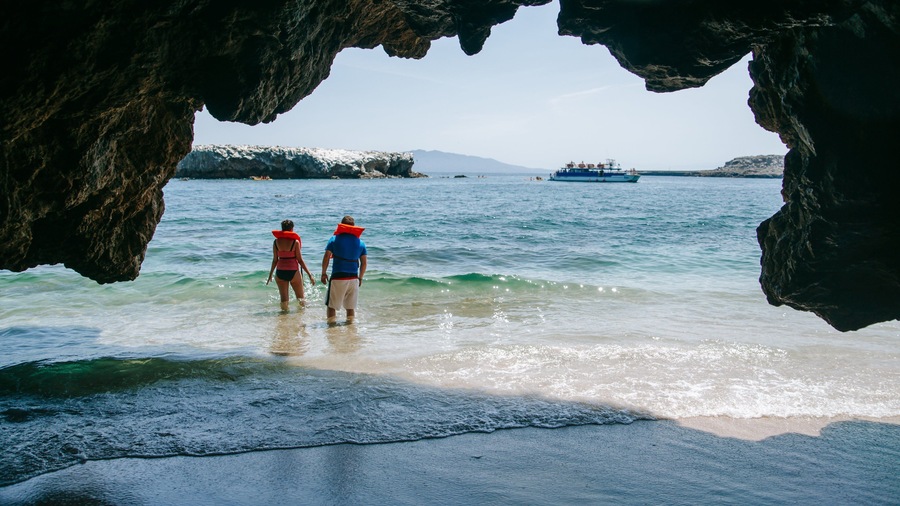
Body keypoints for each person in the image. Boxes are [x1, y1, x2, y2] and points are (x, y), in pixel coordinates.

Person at [321, 215, 367, 322]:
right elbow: (364, 263)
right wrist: (360, 278)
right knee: (350, 308)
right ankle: (350, 329)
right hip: (354, 278)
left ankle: (331, 329)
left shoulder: (333, 240)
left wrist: (323, 272)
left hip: (338, 277)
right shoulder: (361, 243)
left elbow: (326, 256)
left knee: (332, 306)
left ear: (342, 226)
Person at [266, 219, 315, 311]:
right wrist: (309, 274)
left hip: (280, 272)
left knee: (284, 300)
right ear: (292, 229)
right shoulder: (295, 242)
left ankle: (283, 319)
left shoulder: (276, 242)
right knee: (301, 299)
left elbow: (275, 260)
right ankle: (301, 318)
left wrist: (270, 275)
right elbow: (300, 260)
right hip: (293, 272)